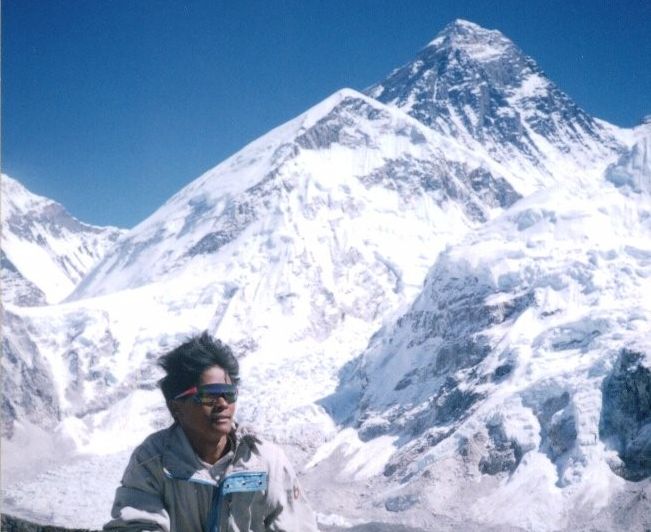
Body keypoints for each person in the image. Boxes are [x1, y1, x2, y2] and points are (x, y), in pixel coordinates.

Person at [104, 332, 318, 531]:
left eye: (229, 394)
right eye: (210, 395)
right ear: (176, 407)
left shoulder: (266, 461)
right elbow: (137, 525)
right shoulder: (153, 461)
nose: (223, 404)